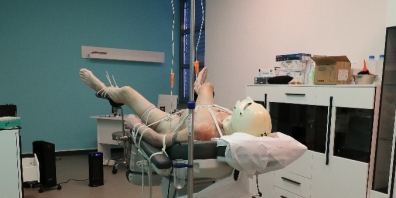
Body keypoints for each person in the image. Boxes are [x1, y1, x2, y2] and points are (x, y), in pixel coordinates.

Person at [79, 68, 272, 148]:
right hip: (200, 112)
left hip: (168, 123)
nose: (243, 100)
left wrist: (136, 125)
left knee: (127, 92)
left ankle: (102, 90)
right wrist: (200, 89)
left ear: (241, 117)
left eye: (244, 105)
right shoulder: (227, 115)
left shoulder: (202, 130)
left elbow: (159, 140)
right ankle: (198, 86)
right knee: (207, 86)